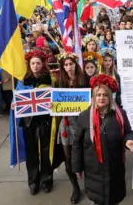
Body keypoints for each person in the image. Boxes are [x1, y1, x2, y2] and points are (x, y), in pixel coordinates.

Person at [72, 74, 133, 205]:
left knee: (114, 199)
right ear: (94, 96)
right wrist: (77, 167)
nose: (101, 98)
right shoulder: (84, 116)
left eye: (105, 95)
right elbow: (77, 144)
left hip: (115, 165)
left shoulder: (120, 114)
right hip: (93, 168)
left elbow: (128, 132)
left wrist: (128, 141)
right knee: (98, 199)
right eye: (98, 95)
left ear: (110, 96)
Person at [22, 49, 57, 195]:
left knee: (46, 151)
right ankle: (33, 181)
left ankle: (46, 180)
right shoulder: (23, 80)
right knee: (31, 153)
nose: (35, 66)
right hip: (29, 121)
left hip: (46, 120)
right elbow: (18, 99)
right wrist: (14, 104)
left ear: (43, 64)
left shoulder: (51, 79)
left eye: (38, 63)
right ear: (29, 64)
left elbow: (58, 98)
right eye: (33, 63)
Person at [54, 51, 88, 204]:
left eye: (71, 64)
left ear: (75, 64)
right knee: (68, 157)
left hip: (83, 123)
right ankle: (75, 187)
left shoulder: (84, 79)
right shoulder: (59, 82)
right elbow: (53, 100)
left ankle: (89, 184)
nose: (68, 67)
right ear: (62, 67)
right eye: (65, 65)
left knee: (86, 154)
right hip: (66, 124)